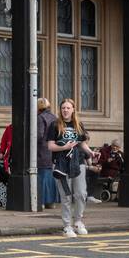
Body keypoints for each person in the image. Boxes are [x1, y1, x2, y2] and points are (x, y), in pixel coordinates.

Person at [48, 98, 95, 236]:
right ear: (60, 110)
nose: (65, 110)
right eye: (63, 108)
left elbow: (82, 143)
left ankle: (78, 221)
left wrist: (90, 152)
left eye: (68, 108)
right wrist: (65, 146)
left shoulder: (78, 124)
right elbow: (50, 146)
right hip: (61, 164)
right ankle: (67, 225)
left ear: (73, 109)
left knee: (81, 194)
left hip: (78, 162)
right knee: (66, 196)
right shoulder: (55, 125)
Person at [37, 98, 58, 209]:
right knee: (50, 177)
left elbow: (39, 135)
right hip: (53, 151)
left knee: (42, 177)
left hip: (42, 151)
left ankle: (42, 201)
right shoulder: (54, 117)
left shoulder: (40, 118)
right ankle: (51, 202)